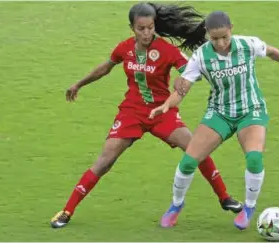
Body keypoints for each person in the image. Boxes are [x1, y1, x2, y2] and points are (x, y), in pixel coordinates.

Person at [50, 4, 243, 229]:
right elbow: (106, 67)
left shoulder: (167, 50)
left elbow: (191, 72)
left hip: (162, 112)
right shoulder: (125, 48)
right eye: (140, 28)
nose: (146, 33)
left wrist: (183, 82)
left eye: (150, 28)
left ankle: (224, 197)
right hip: (132, 112)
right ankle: (67, 210)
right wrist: (79, 84)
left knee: (195, 149)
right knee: (105, 161)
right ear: (132, 27)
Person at [150, 10, 279, 230]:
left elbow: (272, 52)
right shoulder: (201, 56)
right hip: (219, 112)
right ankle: (176, 205)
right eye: (214, 38)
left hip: (251, 110)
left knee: (254, 159)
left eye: (224, 37)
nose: (220, 43)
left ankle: (248, 208)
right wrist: (167, 104)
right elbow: (183, 87)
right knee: (189, 161)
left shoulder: (248, 44)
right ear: (208, 34)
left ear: (231, 30)